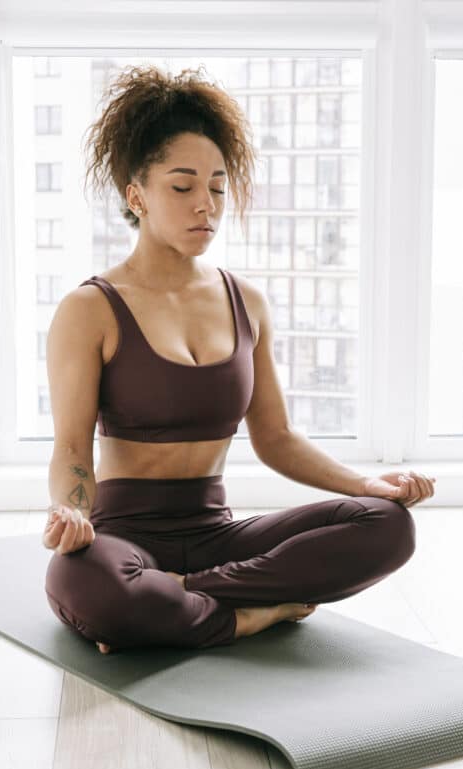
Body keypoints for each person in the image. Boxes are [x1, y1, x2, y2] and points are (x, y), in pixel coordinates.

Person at [41, 64, 436, 654]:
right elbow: (73, 451)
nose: (207, 204)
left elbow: (275, 437)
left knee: (388, 526)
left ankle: (182, 599)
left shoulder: (245, 301)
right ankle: (248, 615)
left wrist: (368, 484)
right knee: (81, 580)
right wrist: (73, 518)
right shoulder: (89, 310)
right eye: (182, 187)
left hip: (217, 535)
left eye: (218, 186)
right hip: (124, 536)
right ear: (136, 195)